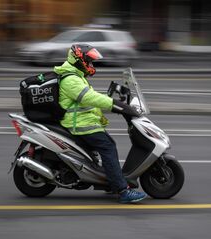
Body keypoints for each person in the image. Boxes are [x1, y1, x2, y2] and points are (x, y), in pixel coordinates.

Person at [54, 44, 146, 203]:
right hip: (79, 124)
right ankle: (122, 190)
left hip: (83, 122)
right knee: (108, 146)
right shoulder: (71, 79)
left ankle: (111, 179)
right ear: (79, 60)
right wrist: (115, 105)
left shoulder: (76, 75)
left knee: (107, 145)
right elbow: (89, 98)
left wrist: (115, 99)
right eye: (89, 61)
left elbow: (91, 96)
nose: (91, 65)